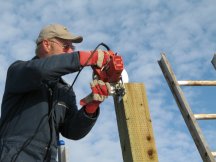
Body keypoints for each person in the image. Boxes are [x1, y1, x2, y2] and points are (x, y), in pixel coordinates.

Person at [0, 24, 112, 162]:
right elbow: (41, 71)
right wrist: (87, 57)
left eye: (73, 48)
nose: (71, 51)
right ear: (46, 45)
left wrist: (91, 108)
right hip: (13, 155)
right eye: (66, 47)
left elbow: (72, 131)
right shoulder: (19, 70)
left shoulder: (65, 90)